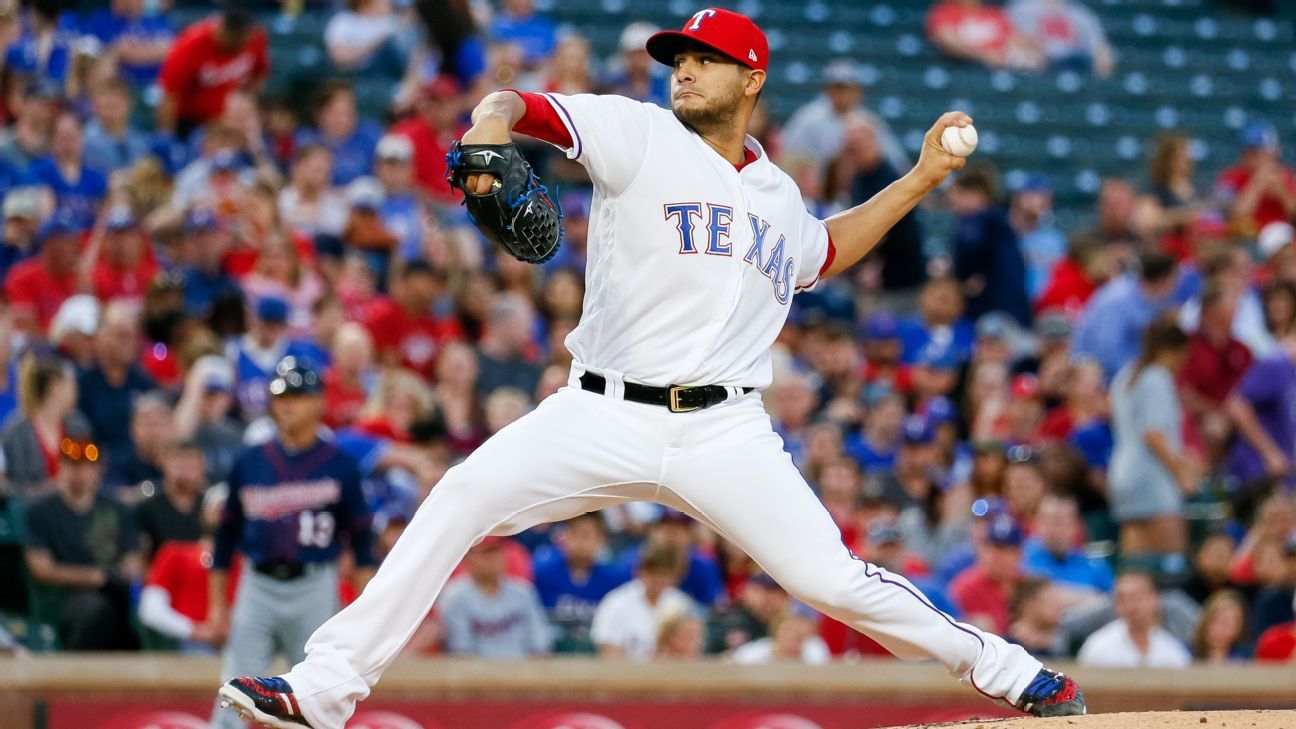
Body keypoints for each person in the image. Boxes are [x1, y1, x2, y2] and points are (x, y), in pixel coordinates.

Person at [217, 11, 1084, 727]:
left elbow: (823, 251)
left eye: (707, 60)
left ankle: (1012, 673)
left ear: (751, 81)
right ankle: (322, 688)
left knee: (832, 580)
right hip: (601, 411)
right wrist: (489, 117)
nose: (684, 70)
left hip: (725, 430)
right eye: (678, 58)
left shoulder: (778, 195)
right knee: (460, 497)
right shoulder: (637, 133)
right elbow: (528, 108)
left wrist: (922, 177)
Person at [209, 357, 376, 729]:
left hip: (315, 584)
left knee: (318, 696)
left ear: (318, 402)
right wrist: (218, 605)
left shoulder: (340, 464)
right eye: (281, 396)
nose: (287, 404)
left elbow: (362, 540)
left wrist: (364, 610)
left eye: (298, 396)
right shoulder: (250, 461)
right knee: (233, 694)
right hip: (258, 585)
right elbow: (224, 536)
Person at [23, 437, 142, 650]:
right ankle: (70, 677)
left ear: (99, 468)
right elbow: (40, 568)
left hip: (116, 593)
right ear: (61, 467)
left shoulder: (117, 508)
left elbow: (133, 560)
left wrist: (118, 575)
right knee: (94, 611)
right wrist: (94, 576)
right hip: (63, 597)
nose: (78, 472)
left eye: (86, 465)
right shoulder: (40, 511)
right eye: (71, 464)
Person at [1109, 319, 1197, 558]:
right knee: (1172, 561)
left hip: (1123, 475)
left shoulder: (1125, 376)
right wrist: (1181, 473)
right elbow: (1153, 435)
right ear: (1173, 351)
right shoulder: (1157, 377)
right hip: (1153, 478)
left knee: (1135, 564)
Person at [157, 5, 269, 138]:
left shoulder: (255, 38)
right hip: (192, 121)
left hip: (231, 122)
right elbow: (169, 97)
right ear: (228, 32)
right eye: (240, 40)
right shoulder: (190, 46)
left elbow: (260, 74)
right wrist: (167, 137)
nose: (245, 45)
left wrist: (246, 104)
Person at [780, 58, 905, 172]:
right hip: (814, 190)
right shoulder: (807, 119)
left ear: (858, 90)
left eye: (847, 88)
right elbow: (787, 158)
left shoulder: (870, 122)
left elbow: (897, 162)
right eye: (837, 87)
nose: (842, 94)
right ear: (827, 89)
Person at [1072, 250, 1181, 380]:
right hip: (1095, 378)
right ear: (1162, 279)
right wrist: (1140, 376)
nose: (1177, 286)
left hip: (1127, 373)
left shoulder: (1151, 299)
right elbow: (1107, 351)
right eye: (1174, 279)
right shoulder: (1118, 300)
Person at [438, 537, 552, 658]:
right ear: (467, 557)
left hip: (524, 672)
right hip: (474, 674)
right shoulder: (455, 596)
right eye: (486, 553)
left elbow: (540, 645)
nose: (494, 558)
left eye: (497, 551)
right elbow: (461, 652)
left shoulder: (523, 592)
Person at [532, 512, 629, 653]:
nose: (580, 542)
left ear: (601, 540)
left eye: (587, 536)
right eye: (574, 534)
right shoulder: (542, 573)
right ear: (565, 537)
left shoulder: (614, 579)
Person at [950, 166, 1031, 326]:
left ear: (976, 193)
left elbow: (969, 251)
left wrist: (961, 278)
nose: (953, 201)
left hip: (996, 308)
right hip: (1011, 306)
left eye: (957, 194)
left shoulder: (980, 219)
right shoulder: (997, 217)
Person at [1, 355, 91, 498]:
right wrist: (47, 490)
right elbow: (8, 487)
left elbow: (89, 471)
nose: (76, 393)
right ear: (55, 386)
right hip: (29, 513)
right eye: (72, 386)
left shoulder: (78, 427)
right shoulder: (16, 432)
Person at [76, 301, 158, 453]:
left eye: (133, 336)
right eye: (121, 336)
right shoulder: (81, 385)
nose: (129, 343)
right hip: (98, 465)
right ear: (101, 338)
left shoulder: (144, 383)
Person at [590, 543, 694, 661]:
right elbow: (608, 652)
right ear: (639, 571)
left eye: (665, 574)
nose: (659, 579)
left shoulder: (681, 604)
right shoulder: (615, 603)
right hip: (627, 676)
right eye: (654, 572)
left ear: (675, 576)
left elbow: (690, 650)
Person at [1077, 571, 1192, 668]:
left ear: (1156, 598)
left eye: (1137, 598)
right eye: (1122, 599)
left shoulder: (1173, 651)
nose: (1130, 606)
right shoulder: (1097, 647)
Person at [1021, 492, 1113, 594]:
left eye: (1060, 522)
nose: (1053, 529)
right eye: (1047, 521)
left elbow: (1110, 601)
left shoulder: (1095, 565)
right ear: (1035, 522)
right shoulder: (1021, 556)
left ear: (1076, 526)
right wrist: (1092, 595)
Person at [1215, 121, 1296, 236]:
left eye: (1258, 152)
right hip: (1246, 239)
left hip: (1284, 240)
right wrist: (1257, 184)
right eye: (1248, 152)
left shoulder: (1290, 177)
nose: (1252, 158)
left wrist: (1283, 193)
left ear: (1275, 152)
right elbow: (1233, 216)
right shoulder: (1230, 177)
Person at [133, 438, 208, 560]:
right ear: (163, 463)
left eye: (191, 462)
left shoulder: (210, 506)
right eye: (178, 461)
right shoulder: (149, 509)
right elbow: (141, 556)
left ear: (202, 467)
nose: (185, 468)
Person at [1007, 0, 1115, 76]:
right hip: (1036, 66)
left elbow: (1101, 51)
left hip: (1073, 64)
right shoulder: (1021, 8)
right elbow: (1011, 43)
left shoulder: (1082, 14)